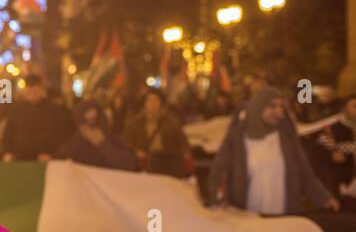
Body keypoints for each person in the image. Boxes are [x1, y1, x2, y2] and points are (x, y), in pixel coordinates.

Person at [208, 86, 338, 215]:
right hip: (247, 218)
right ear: (258, 107)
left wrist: (324, 198)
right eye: (272, 107)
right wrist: (217, 200)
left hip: (283, 216)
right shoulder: (237, 138)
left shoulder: (287, 138)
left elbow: (304, 172)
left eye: (281, 107)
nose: (278, 112)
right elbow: (219, 172)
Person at [1, 74, 73, 161]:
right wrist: (8, 152)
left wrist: (54, 155)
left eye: (35, 87)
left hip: (48, 161)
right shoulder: (16, 110)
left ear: (42, 89)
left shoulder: (56, 111)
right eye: (28, 87)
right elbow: (8, 134)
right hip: (21, 160)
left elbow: (64, 135)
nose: (31, 90)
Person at [54, 99, 139, 171]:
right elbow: (59, 162)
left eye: (93, 120)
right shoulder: (73, 145)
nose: (89, 131)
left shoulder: (112, 139)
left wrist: (103, 144)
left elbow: (130, 164)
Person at [123, 88, 190, 177]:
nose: (152, 103)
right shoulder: (134, 124)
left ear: (161, 103)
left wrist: (185, 155)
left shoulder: (172, 122)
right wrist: (136, 152)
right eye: (149, 100)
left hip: (167, 164)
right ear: (144, 103)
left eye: (155, 100)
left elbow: (183, 142)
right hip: (145, 164)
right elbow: (126, 144)